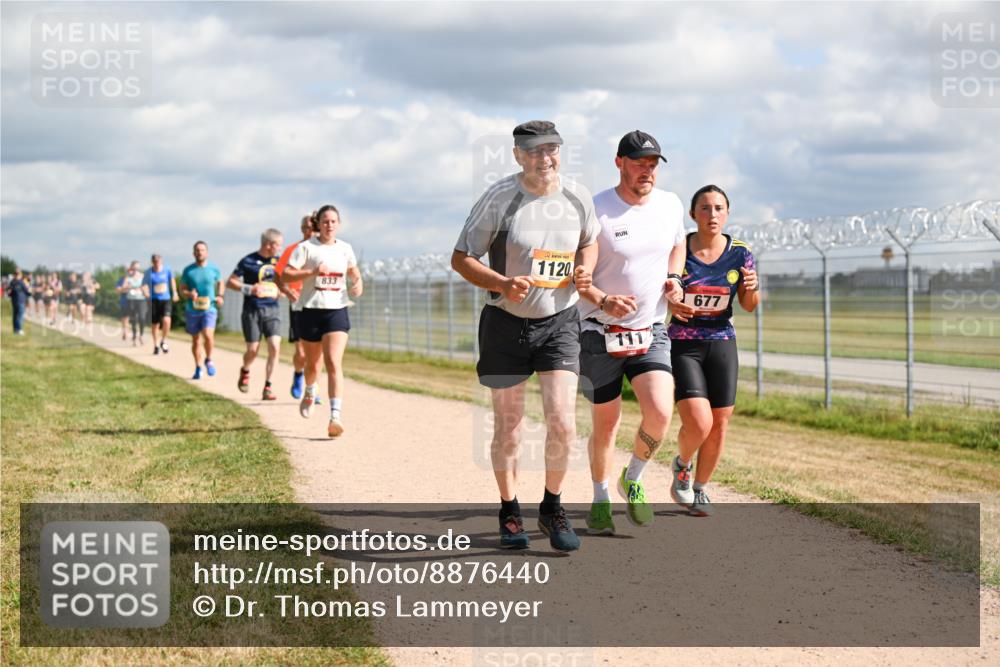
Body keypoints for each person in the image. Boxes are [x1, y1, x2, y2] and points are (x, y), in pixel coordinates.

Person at [451, 120, 598, 552]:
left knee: (563, 421)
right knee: (510, 428)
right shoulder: (500, 198)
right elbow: (461, 258)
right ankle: (510, 511)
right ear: (518, 156)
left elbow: (590, 241)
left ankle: (553, 507)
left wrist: (585, 268)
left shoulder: (577, 197)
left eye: (552, 148)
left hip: (560, 323)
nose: (545, 158)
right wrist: (500, 281)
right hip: (505, 325)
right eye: (535, 151)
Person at [575, 130, 687, 533]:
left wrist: (674, 279)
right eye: (640, 162)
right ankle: (600, 495)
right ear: (619, 162)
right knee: (606, 423)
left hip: (650, 328)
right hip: (598, 330)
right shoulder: (596, 209)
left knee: (659, 411)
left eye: (654, 164)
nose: (648, 171)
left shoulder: (670, 205)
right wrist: (604, 299)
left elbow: (678, 244)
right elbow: (580, 275)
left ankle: (633, 478)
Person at [668, 184, 760, 516]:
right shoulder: (680, 248)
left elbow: (749, 305)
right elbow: (666, 289)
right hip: (684, 342)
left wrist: (752, 289)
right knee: (699, 421)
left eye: (719, 208)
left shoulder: (740, 253)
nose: (712, 214)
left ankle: (701, 488)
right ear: (693, 214)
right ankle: (682, 463)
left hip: (722, 341)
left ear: (728, 213)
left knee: (720, 423)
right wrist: (672, 302)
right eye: (705, 208)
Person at [282, 205, 362, 437]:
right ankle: (309, 390)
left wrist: (357, 283)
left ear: (339, 224)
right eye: (325, 221)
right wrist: (312, 273)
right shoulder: (305, 248)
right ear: (318, 223)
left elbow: (354, 271)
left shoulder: (345, 249)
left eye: (333, 221)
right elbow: (287, 274)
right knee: (312, 365)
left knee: (333, 362)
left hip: (337, 310)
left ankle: (335, 416)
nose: (329, 225)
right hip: (311, 310)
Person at [228, 229, 288, 400]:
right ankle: (245, 369)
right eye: (278, 244)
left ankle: (268, 387)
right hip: (252, 310)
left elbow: (286, 282)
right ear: (268, 244)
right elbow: (231, 282)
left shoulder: (279, 262)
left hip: (272, 309)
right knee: (253, 350)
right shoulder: (248, 260)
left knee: (275, 346)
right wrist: (249, 289)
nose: (280, 248)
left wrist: (281, 291)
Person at [276, 214, 323, 403]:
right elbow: (278, 276)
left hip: (319, 302)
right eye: (305, 228)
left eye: (312, 227)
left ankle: (313, 388)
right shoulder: (293, 249)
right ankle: (298, 374)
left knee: (317, 352)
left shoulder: (324, 249)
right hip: (298, 304)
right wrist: (287, 292)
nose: (309, 231)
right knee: (302, 352)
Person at [179, 241, 224, 379]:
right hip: (193, 309)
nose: (200, 252)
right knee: (196, 340)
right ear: (194, 253)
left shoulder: (214, 269)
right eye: (197, 250)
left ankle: (209, 359)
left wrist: (220, 296)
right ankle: (198, 367)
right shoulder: (188, 270)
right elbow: (182, 289)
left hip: (209, 308)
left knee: (208, 335)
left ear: (207, 252)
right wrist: (189, 294)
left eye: (202, 250)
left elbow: (221, 282)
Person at [143, 254, 179, 355]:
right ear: (152, 262)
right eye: (155, 261)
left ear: (161, 261)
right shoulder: (149, 272)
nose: (157, 263)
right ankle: (156, 345)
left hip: (165, 299)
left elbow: (172, 281)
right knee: (155, 324)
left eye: (158, 261)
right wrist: (146, 293)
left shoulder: (167, 270)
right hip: (154, 300)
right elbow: (144, 285)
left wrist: (175, 292)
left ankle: (163, 340)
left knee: (167, 320)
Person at [121, 261, 147, 346]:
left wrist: (143, 290)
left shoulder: (143, 276)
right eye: (134, 268)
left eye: (137, 268)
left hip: (141, 300)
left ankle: (141, 335)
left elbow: (146, 288)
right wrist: (128, 287)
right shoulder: (127, 277)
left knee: (142, 318)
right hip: (131, 300)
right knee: (133, 319)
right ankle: (134, 336)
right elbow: (122, 288)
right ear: (131, 268)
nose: (135, 270)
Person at [7, 269, 31, 334]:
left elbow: (9, 293)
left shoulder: (12, 282)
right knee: (19, 316)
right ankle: (19, 329)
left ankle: (15, 330)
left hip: (14, 301)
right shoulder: (21, 282)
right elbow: (27, 291)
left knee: (15, 315)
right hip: (20, 301)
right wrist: (29, 292)